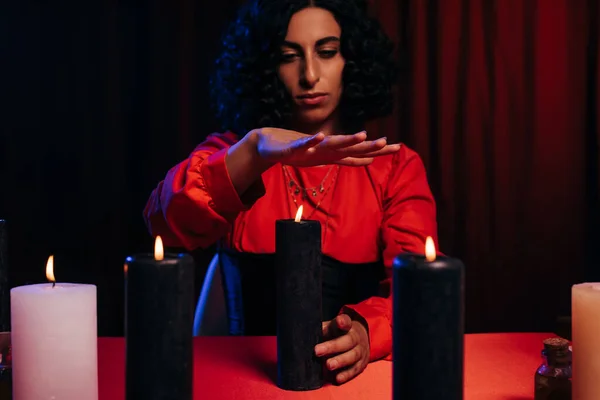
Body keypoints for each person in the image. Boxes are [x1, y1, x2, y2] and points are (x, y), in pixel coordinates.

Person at [143, 0, 438, 384]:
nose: (310, 75)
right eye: (289, 56)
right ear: (266, 67)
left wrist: (368, 331)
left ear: (353, 61)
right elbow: (163, 225)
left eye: (327, 52)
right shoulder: (235, 151)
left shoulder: (395, 167)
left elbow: (422, 290)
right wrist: (252, 151)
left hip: (351, 384)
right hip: (242, 381)